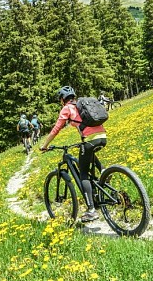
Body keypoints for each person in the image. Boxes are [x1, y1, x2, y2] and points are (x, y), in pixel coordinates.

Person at [40, 86, 106, 223]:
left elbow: (56, 129)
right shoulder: (82, 104)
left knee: (83, 174)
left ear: (62, 99)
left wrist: (45, 145)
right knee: (88, 152)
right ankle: (105, 172)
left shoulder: (67, 108)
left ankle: (91, 210)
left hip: (90, 139)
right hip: (102, 137)